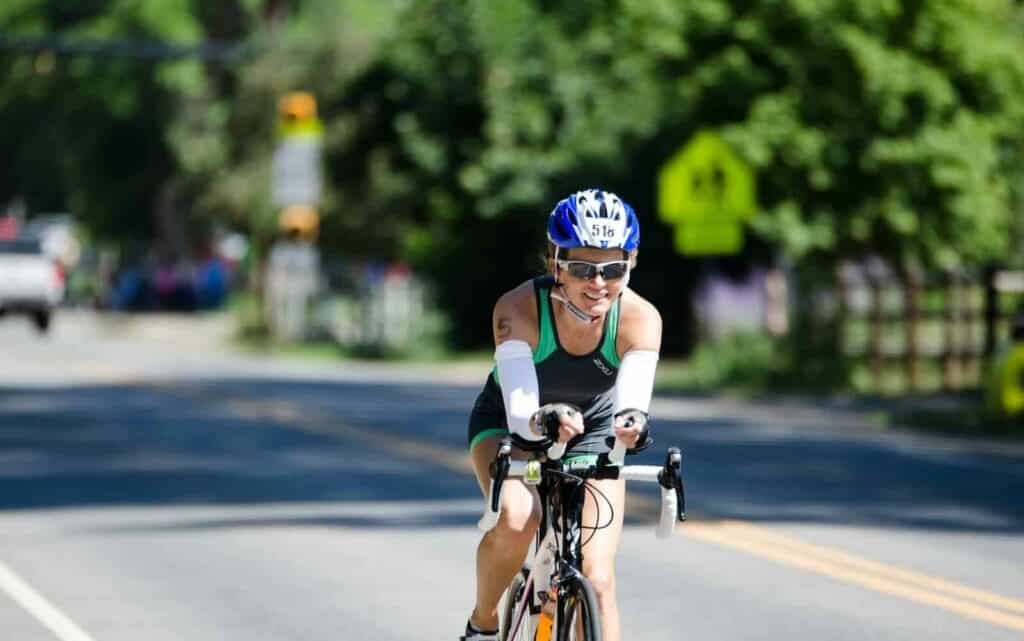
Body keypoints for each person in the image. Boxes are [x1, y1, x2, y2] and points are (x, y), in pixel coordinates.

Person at [461, 189, 662, 641]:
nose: (599, 284)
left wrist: (633, 421)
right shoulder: (517, 310)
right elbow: (520, 411)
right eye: (583, 269)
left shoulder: (640, 318)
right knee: (518, 516)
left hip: (592, 431)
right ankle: (483, 623)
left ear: (629, 265)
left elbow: (632, 398)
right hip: (509, 422)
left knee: (599, 577)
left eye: (613, 269)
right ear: (556, 264)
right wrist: (541, 420)